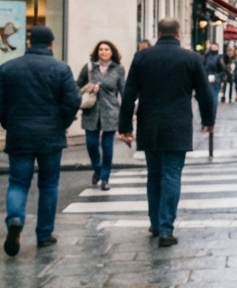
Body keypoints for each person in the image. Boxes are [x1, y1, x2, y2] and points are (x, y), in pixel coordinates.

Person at [118, 17, 215, 247]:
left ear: (158, 34)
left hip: (149, 124)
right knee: (171, 174)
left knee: (154, 174)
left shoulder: (142, 57)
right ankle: (166, 229)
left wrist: (125, 127)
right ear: (178, 34)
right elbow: (205, 93)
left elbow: (129, 93)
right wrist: (208, 120)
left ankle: (155, 223)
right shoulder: (191, 58)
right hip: (178, 125)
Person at [0, 26, 81, 255]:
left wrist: (8, 122)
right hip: (50, 135)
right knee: (49, 184)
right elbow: (73, 100)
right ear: (51, 44)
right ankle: (44, 234)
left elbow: (1, 103)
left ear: (29, 42)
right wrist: (62, 122)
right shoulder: (60, 68)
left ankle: (15, 219)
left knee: (18, 182)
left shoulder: (8, 68)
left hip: (19, 133)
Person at [77, 40, 126, 192]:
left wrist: (128, 111)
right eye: (101, 49)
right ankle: (98, 169)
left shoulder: (118, 69)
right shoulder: (89, 67)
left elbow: (123, 90)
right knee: (91, 144)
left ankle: (105, 178)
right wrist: (89, 88)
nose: (103, 52)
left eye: (106, 49)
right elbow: (77, 86)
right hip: (91, 111)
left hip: (110, 111)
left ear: (112, 52)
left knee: (107, 146)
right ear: (97, 52)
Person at [202, 43, 224, 108]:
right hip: (209, 77)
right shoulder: (206, 56)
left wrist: (216, 76)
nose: (213, 48)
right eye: (212, 47)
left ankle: (211, 111)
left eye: (215, 47)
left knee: (213, 95)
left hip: (214, 78)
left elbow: (222, 69)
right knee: (211, 96)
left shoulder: (218, 57)